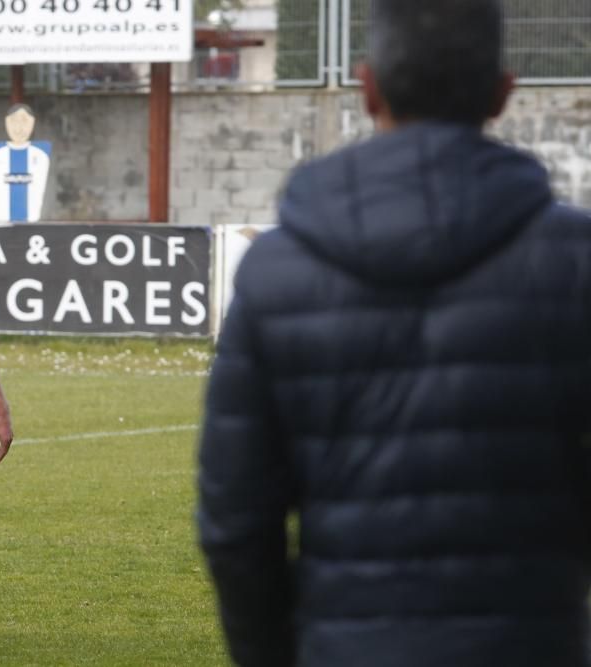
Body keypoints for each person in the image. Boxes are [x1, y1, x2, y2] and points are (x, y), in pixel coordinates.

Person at [198, 1, 591, 666]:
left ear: (368, 84)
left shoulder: (276, 271)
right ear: (503, 93)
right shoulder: (574, 261)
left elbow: (237, 523)